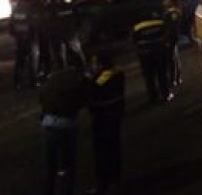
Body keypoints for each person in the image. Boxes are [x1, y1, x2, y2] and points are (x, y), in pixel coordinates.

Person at [39, 65, 88, 195]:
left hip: (49, 125)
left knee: (50, 164)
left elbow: (43, 103)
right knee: (68, 163)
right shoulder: (75, 86)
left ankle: (49, 190)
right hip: (68, 126)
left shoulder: (48, 86)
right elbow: (83, 101)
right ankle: (67, 191)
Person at [87, 49, 126, 194]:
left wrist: (90, 79)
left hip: (104, 118)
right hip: (113, 116)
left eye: (94, 62)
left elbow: (94, 89)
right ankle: (114, 180)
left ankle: (105, 182)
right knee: (114, 149)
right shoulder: (118, 73)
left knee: (103, 152)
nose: (92, 65)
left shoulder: (104, 77)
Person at [131, 10, 171, 104]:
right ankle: (165, 95)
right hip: (160, 53)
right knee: (162, 74)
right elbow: (167, 36)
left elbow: (134, 42)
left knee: (149, 77)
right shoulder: (160, 23)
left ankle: (153, 97)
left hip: (145, 55)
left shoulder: (137, 27)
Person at [48, 0, 87, 71]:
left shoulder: (52, 8)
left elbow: (49, 23)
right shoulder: (70, 6)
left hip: (60, 37)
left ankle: (65, 76)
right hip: (70, 35)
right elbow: (78, 20)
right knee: (77, 56)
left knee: (61, 60)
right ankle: (82, 72)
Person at [8, 0, 40, 90]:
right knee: (33, 62)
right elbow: (34, 24)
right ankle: (33, 82)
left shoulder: (16, 8)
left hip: (20, 38)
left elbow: (11, 25)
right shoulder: (30, 8)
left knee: (20, 62)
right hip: (30, 38)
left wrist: (16, 35)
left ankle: (17, 83)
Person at [161, 0, 182, 89]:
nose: (163, 2)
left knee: (172, 59)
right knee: (175, 58)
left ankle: (173, 79)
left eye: (165, 0)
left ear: (171, 1)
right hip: (173, 38)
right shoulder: (171, 11)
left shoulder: (173, 12)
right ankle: (177, 78)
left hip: (172, 38)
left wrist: (167, 38)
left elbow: (171, 27)